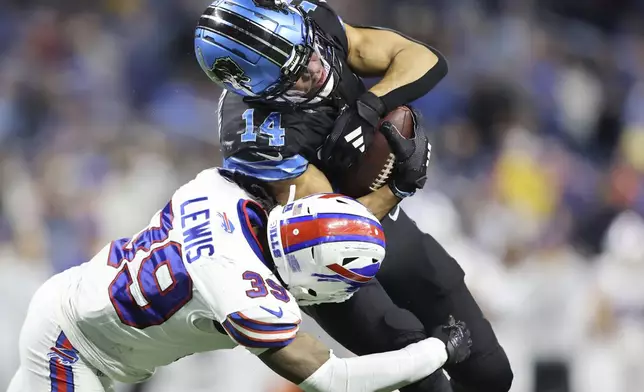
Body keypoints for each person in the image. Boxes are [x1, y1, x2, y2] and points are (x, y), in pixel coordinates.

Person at [195, 1, 513, 391]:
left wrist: (370, 105)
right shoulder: (257, 137)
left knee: (492, 374)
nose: (316, 67)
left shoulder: (309, 19)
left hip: (379, 220)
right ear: (263, 93)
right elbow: (333, 233)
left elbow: (420, 57)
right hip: (319, 264)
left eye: (308, 50)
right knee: (421, 374)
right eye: (296, 75)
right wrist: (398, 186)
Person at [7, 167, 471, 392]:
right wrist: (438, 349)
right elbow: (336, 380)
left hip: (80, 313)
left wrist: (388, 193)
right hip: (74, 347)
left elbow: (319, 215)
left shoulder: (222, 190)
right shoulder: (250, 300)